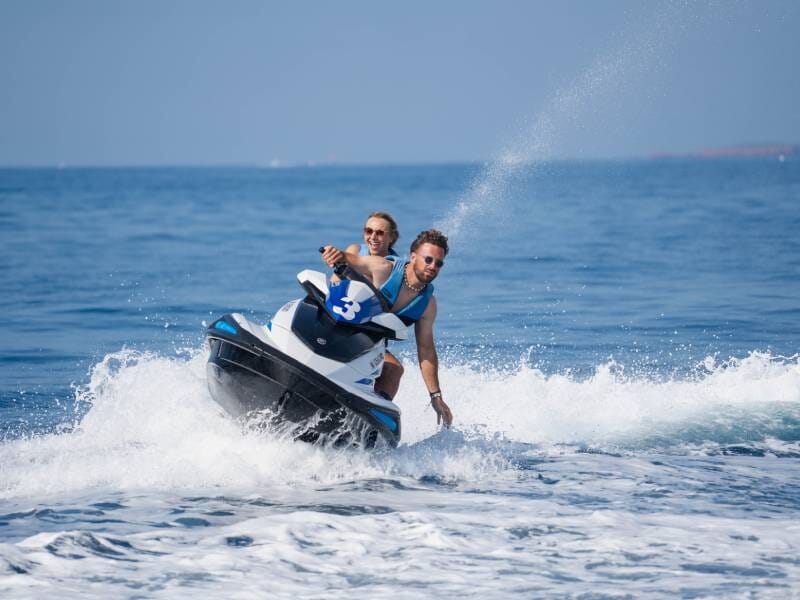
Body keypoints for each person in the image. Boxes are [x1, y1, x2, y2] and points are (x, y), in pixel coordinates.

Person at [321, 229, 453, 427]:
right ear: (413, 256)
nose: (433, 266)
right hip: (341, 328)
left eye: (438, 263)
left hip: (370, 348)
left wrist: (435, 396)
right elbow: (352, 259)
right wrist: (335, 253)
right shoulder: (385, 268)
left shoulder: (427, 305)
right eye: (428, 259)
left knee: (394, 370)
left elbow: (426, 350)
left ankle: (366, 420)